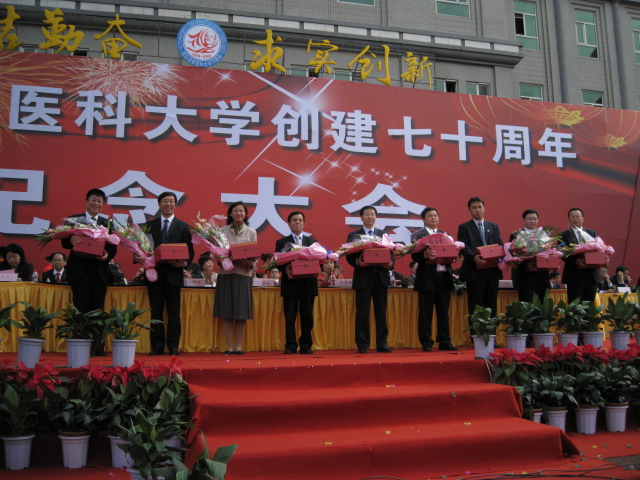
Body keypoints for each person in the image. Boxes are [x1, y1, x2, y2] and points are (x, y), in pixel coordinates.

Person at [135, 191, 194, 356]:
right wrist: (137, 257)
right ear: (159, 204)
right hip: (154, 274)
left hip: (174, 274)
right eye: (165, 201)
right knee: (156, 311)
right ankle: (157, 345)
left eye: (171, 201)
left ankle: (173, 346)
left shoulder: (183, 226)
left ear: (175, 204)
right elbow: (140, 248)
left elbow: (190, 250)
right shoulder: (148, 226)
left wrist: (184, 263)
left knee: (174, 312)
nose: (168, 204)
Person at [62, 188, 117, 355]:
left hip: (99, 272)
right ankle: (80, 345)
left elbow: (113, 246)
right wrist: (71, 240)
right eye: (94, 200)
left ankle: (97, 347)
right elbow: (63, 242)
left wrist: (107, 255)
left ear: (103, 204)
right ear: (87, 201)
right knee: (80, 309)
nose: (96, 203)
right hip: (79, 272)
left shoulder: (107, 223)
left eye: (100, 201)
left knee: (98, 310)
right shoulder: (74, 220)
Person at [346, 205, 393, 354]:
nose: (370, 217)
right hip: (363, 277)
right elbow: (349, 256)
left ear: (376, 217)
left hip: (381, 278)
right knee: (362, 313)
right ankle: (362, 344)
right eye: (367, 214)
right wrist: (357, 262)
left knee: (381, 313)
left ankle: (382, 343)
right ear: (361, 217)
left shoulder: (383, 234)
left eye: (372, 214)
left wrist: (390, 263)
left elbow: (391, 254)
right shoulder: (354, 235)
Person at [411, 207, 458, 352]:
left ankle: (444, 341)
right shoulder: (418, 235)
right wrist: (425, 255)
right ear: (423, 219)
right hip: (427, 278)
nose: (433, 218)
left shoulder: (446, 235)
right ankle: (426, 342)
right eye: (430, 216)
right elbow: (414, 255)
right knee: (426, 313)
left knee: (443, 312)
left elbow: (451, 253)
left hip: (444, 277)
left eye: (435, 215)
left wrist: (453, 256)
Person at [215, 201, 257, 355]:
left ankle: (238, 346)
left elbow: (254, 254)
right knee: (226, 311)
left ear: (245, 214)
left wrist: (249, 262)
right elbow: (217, 252)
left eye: (242, 211)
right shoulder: (222, 231)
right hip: (226, 274)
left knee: (241, 312)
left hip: (243, 274)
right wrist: (222, 259)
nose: (239, 213)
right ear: (230, 214)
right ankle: (229, 346)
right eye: (236, 211)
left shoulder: (251, 232)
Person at [275, 211, 319, 354]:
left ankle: (306, 345)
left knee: (307, 317)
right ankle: (291, 345)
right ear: (289, 224)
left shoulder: (312, 242)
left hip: (308, 284)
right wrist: (286, 268)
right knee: (290, 317)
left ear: (304, 223)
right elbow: (278, 262)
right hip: (291, 284)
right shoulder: (282, 242)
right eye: (294, 220)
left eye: (300, 220)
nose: (298, 223)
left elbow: (319, 260)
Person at [457, 197, 504, 321]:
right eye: (474, 208)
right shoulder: (464, 227)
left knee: (491, 306)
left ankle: (491, 332)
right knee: (475, 308)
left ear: (484, 208)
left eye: (479, 207)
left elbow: (500, 245)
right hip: (474, 272)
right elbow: (463, 246)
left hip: (492, 272)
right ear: (469, 210)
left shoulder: (493, 226)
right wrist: (474, 257)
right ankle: (476, 333)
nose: (477, 210)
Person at [560, 208, 600, 302]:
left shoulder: (591, 233)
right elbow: (562, 253)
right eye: (572, 217)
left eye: (577, 216)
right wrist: (577, 261)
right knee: (575, 303)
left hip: (591, 274)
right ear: (569, 219)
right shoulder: (564, 234)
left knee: (589, 304)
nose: (575, 219)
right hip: (574, 274)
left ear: (583, 218)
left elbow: (597, 249)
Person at [509, 209, 550, 302]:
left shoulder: (543, 235)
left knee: (542, 304)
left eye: (535, 219)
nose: (532, 221)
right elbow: (513, 255)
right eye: (529, 219)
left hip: (542, 275)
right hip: (525, 276)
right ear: (524, 220)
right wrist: (526, 264)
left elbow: (549, 251)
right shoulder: (516, 235)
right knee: (527, 303)